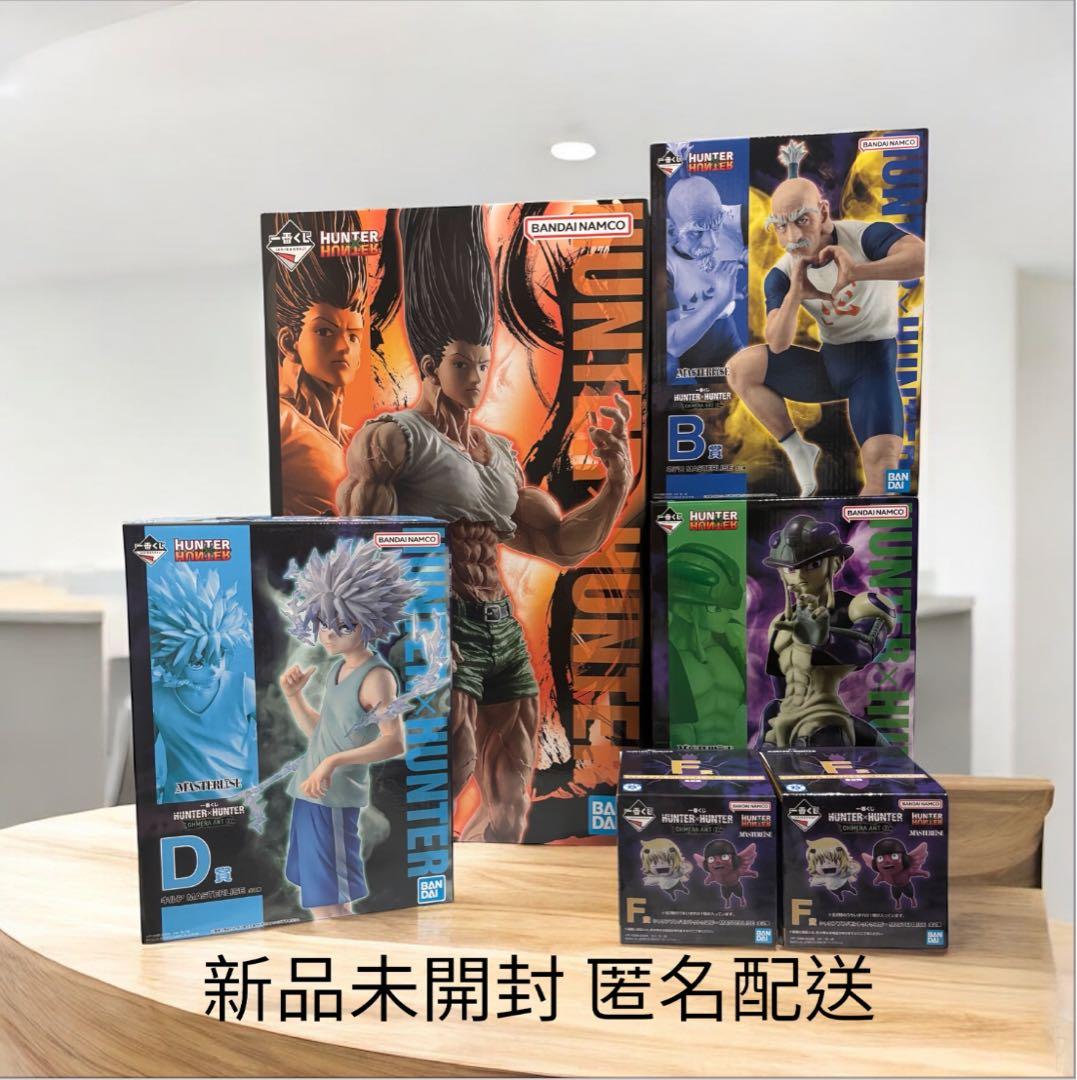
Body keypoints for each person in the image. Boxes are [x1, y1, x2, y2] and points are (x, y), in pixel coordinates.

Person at [337, 205, 632, 843]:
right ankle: (403, 868)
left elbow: (558, 544)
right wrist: (403, 638)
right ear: (429, 366)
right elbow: (361, 548)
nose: (475, 378)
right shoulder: (393, 439)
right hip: (439, 620)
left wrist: (617, 484)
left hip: (497, 620)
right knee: (454, 760)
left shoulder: (499, 453)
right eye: (461, 365)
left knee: (514, 778)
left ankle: (496, 876)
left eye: (481, 363)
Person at [725, 139, 926, 495]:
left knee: (883, 467)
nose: (794, 236)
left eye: (802, 220)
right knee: (740, 368)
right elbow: (777, 342)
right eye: (781, 226)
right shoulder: (782, 273)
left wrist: (859, 271)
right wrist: (795, 294)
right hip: (830, 366)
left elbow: (922, 258)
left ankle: (861, 528)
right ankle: (798, 450)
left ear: (822, 212)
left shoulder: (863, 236)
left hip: (872, 366)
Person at [278, 537, 420, 919]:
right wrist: (294, 697)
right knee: (316, 892)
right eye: (324, 622)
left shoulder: (376, 677)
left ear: (370, 622)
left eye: (342, 625)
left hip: (335, 799)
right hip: (310, 793)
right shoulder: (339, 668)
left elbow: (394, 743)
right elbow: (324, 735)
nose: (328, 634)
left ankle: (346, 951)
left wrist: (332, 763)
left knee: (331, 899)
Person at [757, 514, 894, 748]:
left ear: (836, 563)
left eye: (813, 565)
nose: (800, 576)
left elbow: (865, 647)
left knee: (826, 738)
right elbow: (781, 687)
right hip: (782, 717)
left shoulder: (859, 606)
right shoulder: (779, 624)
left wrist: (825, 638)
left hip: (826, 718)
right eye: (791, 568)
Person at [274, 211, 368, 515]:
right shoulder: (281, 421)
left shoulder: (357, 439)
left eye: (353, 336)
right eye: (325, 332)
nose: (344, 347)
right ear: (289, 342)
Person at [147, 562, 256, 803]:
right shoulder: (157, 698)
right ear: (170, 660)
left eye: (220, 655)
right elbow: (143, 762)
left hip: (239, 809)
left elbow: (282, 741)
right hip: (178, 809)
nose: (214, 668)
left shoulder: (243, 689)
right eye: (198, 663)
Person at [664, 175, 746, 382]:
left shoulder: (732, 219)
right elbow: (673, 343)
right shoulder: (663, 259)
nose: (712, 243)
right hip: (686, 344)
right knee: (666, 367)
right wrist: (720, 300)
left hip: (724, 333)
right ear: (673, 231)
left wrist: (761, 255)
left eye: (716, 227)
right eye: (696, 233)